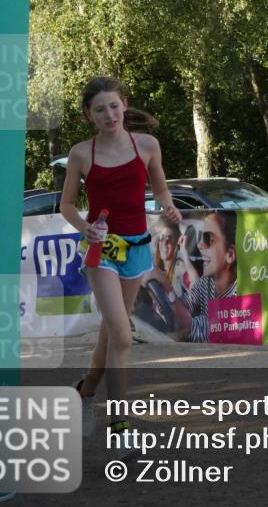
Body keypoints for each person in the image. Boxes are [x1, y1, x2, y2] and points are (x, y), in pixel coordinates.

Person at [60, 77, 182, 449]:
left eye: (114, 106)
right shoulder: (82, 153)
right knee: (123, 335)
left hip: (138, 248)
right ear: (89, 115)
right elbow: (66, 205)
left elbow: (159, 186)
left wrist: (167, 204)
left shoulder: (147, 145)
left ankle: (84, 392)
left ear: (124, 105)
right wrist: (85, 228)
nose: (109, 114)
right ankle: (120, 426)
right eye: (100, 109)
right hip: (103, 251)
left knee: (111, 336)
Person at [177, 211, 238, 343]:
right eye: (200, 238)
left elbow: (188, 328)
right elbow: (184, 304)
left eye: (208, 239)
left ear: (230, 254)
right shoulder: (206, 282)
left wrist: (163, 285)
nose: (199, 245)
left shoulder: (239, 295)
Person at [136, 215, 192, 337]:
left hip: (176, 332)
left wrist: (168, 291)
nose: (164, 242)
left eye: (169, 238)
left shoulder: (184, 274)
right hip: (154, 329)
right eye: (161, 238)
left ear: (177, 243)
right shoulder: (153, 270)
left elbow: (189, 317)